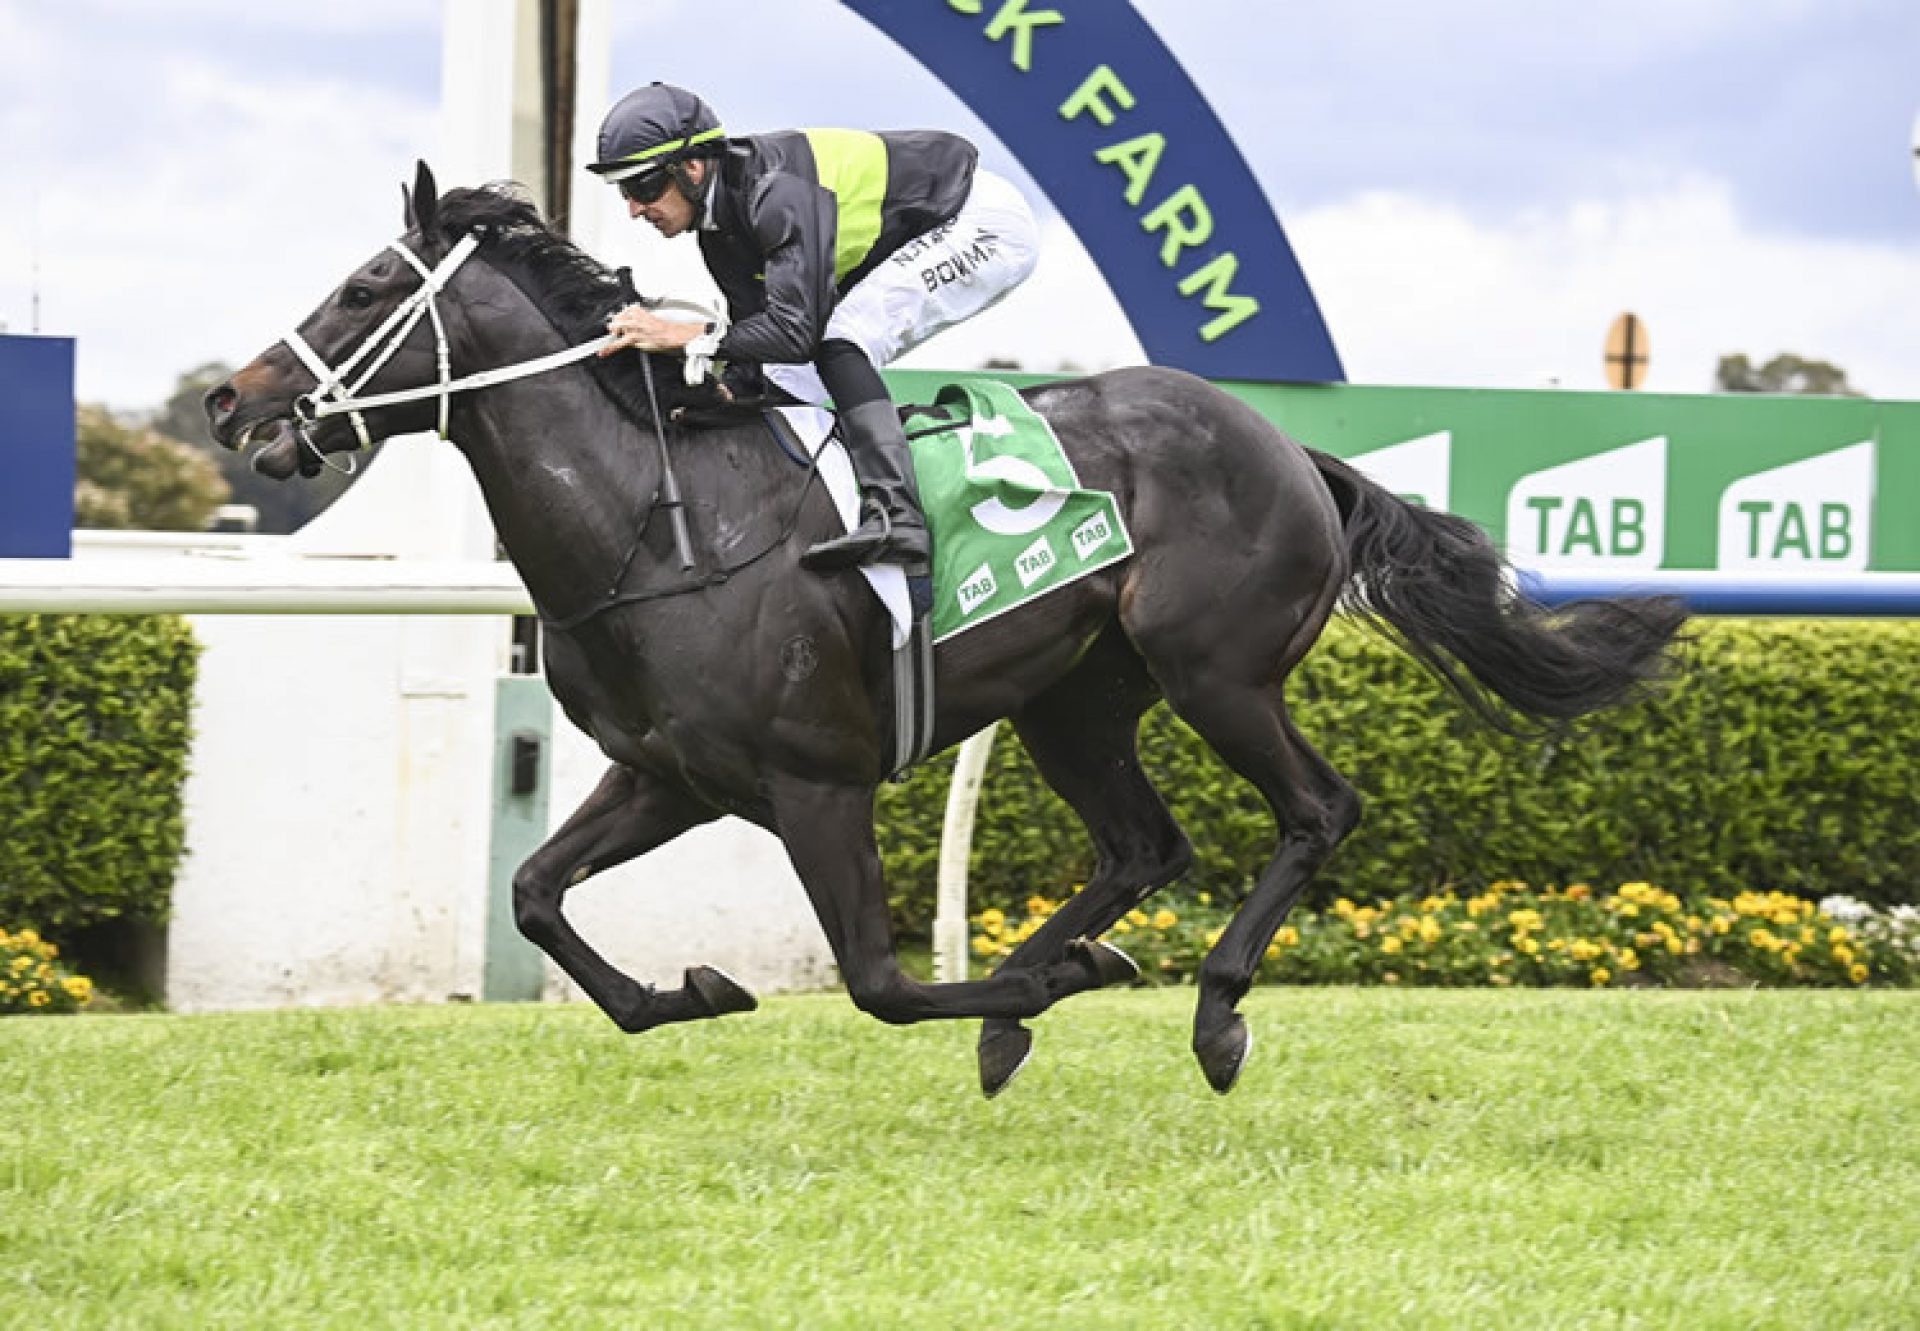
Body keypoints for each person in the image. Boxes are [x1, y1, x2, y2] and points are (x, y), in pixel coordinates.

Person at [589, 82, 1040, 579]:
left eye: (644, 187)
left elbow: (795, 333)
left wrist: (687, 334)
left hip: (980, 221)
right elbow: (759, 351)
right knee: (782, 382)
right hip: (914, 233)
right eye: (624, 192)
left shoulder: (774, 193)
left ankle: (899, 515)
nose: (633, 208)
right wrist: (712, 393)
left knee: (841, 340)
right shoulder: (718, 234)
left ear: (692, 167)